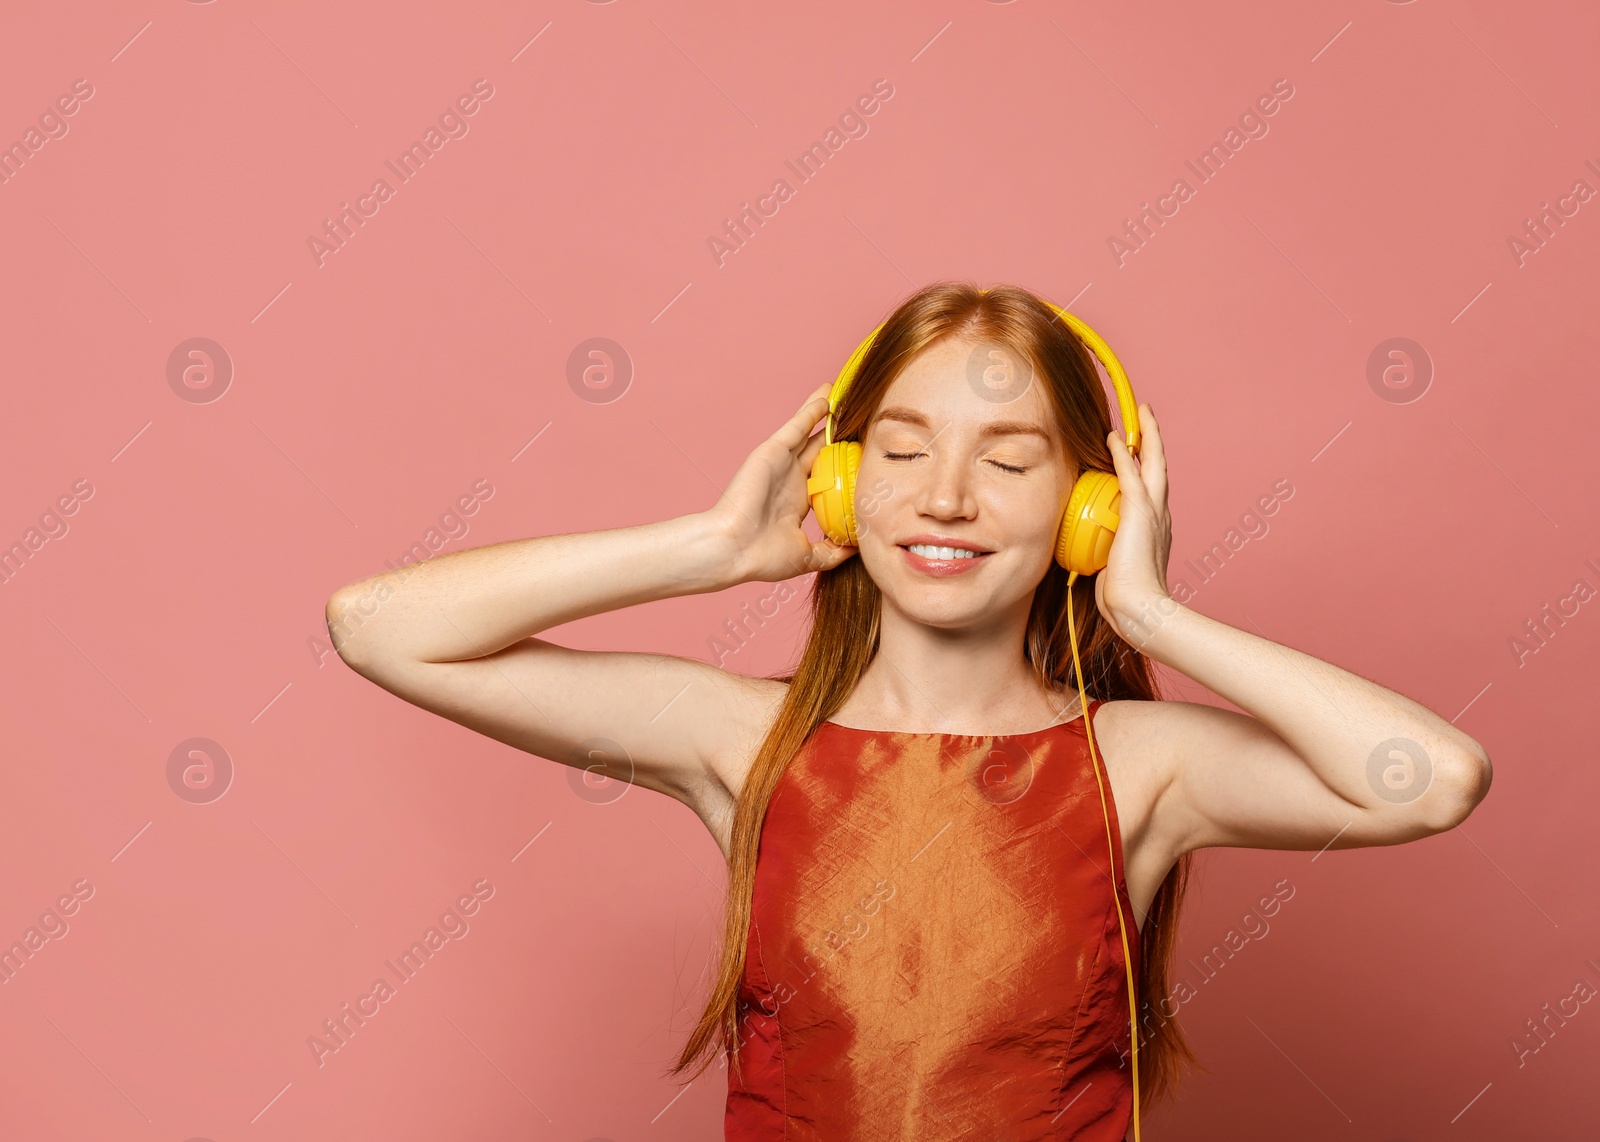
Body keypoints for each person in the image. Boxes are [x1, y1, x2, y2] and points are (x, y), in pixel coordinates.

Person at [325, 281, 1493, 1140]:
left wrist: (1151, 612)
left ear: (1088, 507)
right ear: (841, 485)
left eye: (1009, 460)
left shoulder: (1138, 764)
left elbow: (1432, 775)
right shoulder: (739, 740)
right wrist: (714, 546)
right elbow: (377, 623)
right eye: (901, 449)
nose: (944, 495)